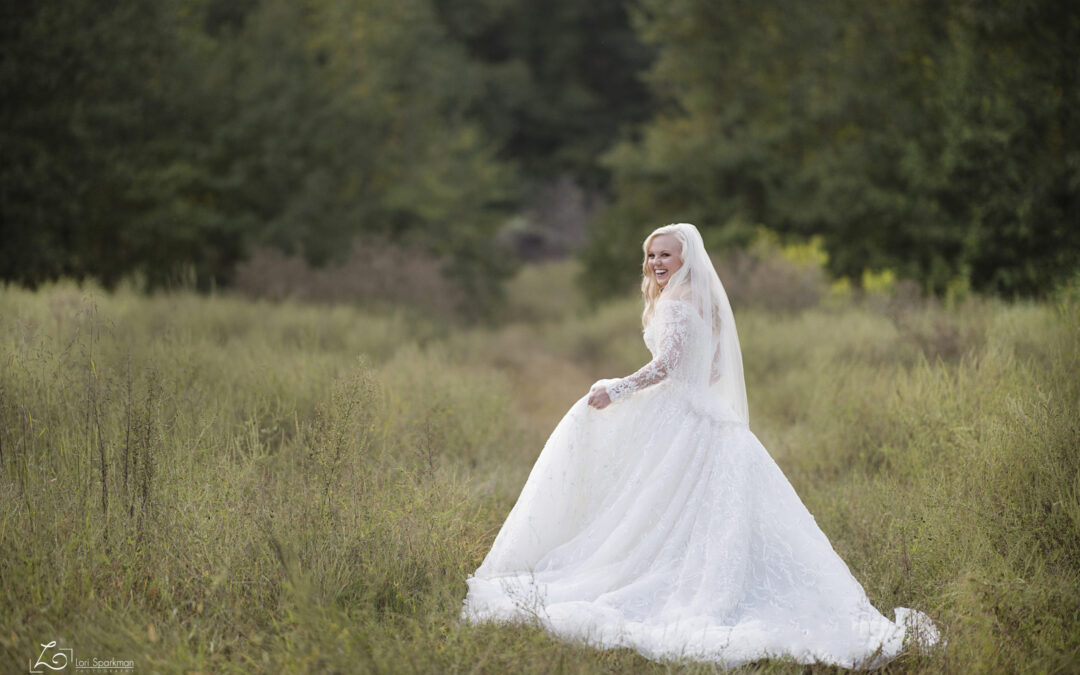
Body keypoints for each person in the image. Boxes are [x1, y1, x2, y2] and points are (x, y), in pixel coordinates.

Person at [462, 223, 939, 667]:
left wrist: (618, 390)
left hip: (682, 413)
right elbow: (712, 369)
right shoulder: (703, 299)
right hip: (705, 412)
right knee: (686, 507)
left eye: (665, 255)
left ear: (685, 258)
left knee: (659, 504)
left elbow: (667, 365)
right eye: (651, 255)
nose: (656, 262)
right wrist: (680, 391)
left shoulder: (675, 302)